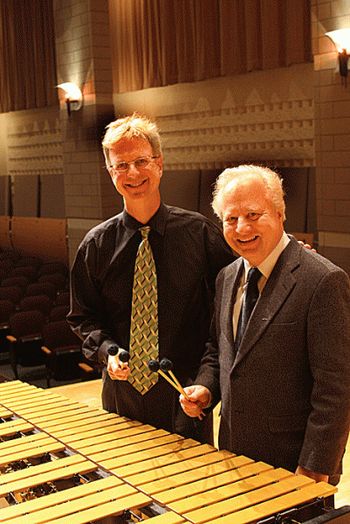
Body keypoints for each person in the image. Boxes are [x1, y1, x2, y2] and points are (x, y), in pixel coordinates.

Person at [67, 113, 233, 443]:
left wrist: (208, 381)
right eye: (121, 165)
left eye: (141, 161)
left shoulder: (200, 233)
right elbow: (83, 317)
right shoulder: (96, 245)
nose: (132, 173)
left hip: (187, 396)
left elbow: (228, 312)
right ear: (110, 172)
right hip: (121, 398)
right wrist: (107, 352)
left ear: (159, 163)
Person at [180, 164, 350, 484]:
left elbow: (336, 390)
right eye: (231, 219)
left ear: (280, 213)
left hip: (295, 467)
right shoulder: (227, 278)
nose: (242, 228)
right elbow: (220, 351)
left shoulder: (323, 281)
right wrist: (206, 387)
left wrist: (315, 467)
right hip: (234, 453)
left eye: (254, 214)